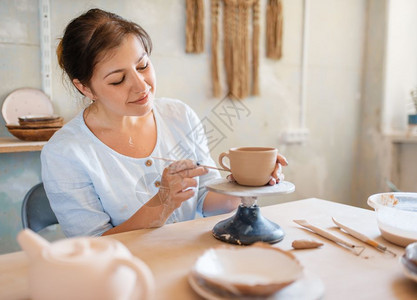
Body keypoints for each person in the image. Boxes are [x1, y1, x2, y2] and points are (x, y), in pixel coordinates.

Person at [41, 8, 288, 238]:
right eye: (118, 80)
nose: (141, 86)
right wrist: (163, 202)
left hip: (189, 262)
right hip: (122, 276)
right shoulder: (64, 152)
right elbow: (93, 245)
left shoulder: (179, 115)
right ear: (84, 88)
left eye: (143, 65)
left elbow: (208, 201)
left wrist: (247, 182)